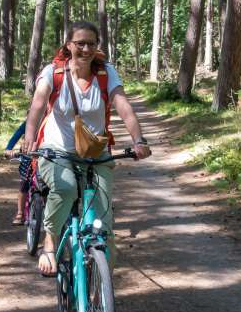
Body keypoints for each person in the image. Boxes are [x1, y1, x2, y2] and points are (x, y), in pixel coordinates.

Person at [24, 21, 152, 276]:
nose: (85, 48)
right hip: (57, 150)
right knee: (66, 187)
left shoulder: (105, 73)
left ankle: (99, 293)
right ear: (68, 45)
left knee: (103, 226)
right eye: (80, 43)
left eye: (91, 43)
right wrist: (30, 140)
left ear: (97, 46)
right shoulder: (54, 73)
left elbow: (123, 106)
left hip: (95, 153)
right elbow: (38, 106)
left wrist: (139, 140)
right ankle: (49, 242)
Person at [4, 120, 30, 225]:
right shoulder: (28, 123)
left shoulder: (52, 120)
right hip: (28, 155)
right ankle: (20, 213)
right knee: (24, 183)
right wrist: (8, 149)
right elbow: (16, 135)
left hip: (46, 156)